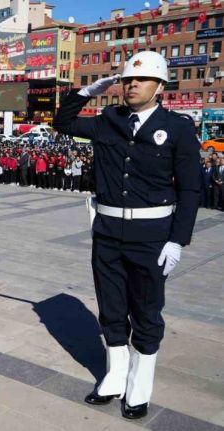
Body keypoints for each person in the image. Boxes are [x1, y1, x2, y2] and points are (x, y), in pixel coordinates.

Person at [54, 51, 201, 420]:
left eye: (141, 79)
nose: (131, 84)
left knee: (147, 311)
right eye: (126, 80)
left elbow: (190, 190)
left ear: (160, 86)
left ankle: (139, 385)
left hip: (152, 235)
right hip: (106, 230)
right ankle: (115, 376)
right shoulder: (108, 120)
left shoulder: (179, 127)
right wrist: (86, 92)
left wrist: (177, 240)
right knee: (112, 307)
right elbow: (63, 122)